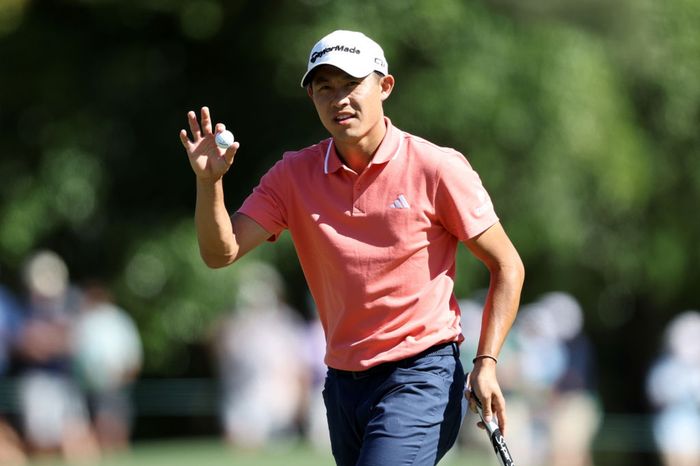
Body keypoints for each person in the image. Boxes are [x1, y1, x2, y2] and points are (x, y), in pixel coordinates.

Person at [179, 29, 525, 466]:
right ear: (312, 97)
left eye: (351, 84)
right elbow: (220, 252)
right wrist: (209, 183)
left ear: (385, 86)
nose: (338, 99)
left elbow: (507, 265)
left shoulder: (436, 168)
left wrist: (487, 362)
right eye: (324, 87)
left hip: (421, 373)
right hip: (343, 383)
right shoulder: (292, 175)